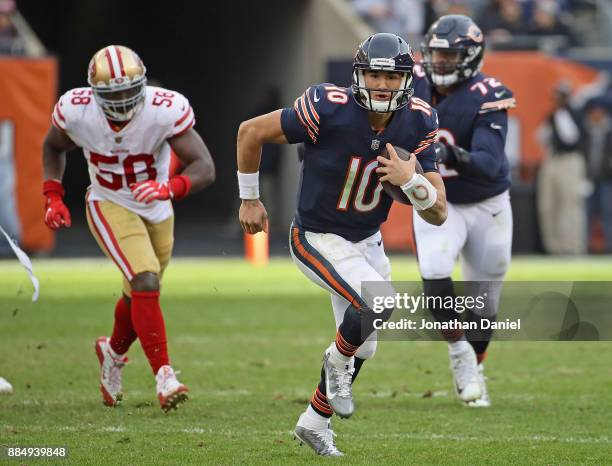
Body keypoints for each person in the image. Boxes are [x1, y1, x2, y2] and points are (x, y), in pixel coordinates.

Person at [237, 33, 447, 456]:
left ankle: (314, 420)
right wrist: (250, 197)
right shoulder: (327, 107)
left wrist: (414, 184)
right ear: (358, 74)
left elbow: (439, 212)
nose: (382, 85)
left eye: (391, 77)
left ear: (407, 80)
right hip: (316, 235)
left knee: (365, 343)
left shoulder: (420, 120)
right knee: (379, 302)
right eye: (373, 74)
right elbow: (250, 131)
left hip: (366, 240)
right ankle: (335, 362)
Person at [42, 45, 215, 411]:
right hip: (109, 201)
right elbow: (52, 146)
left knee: (138, 293)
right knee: (146, 280)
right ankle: (164, 375)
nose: (121, 100)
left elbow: (204, 165)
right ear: (94, 92)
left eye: (127, 90)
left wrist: (170, 187)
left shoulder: (163, 109)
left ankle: (112, 352)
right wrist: (53, 194)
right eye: (111, 93)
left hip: (157, 204)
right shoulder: (77, 110)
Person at [412, 15, 516, 408]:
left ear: (470, 56)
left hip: (487, 203)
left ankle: (478, 362)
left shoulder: (488, 94)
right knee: (436, 269)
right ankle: (460, 357)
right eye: (435, 52)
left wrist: (451, 153)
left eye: (448, 54)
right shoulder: (412, 80)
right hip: (439, 201)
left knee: (483, 302)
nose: (438, 61)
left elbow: (490, 162)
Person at [537, 82, 586, 255]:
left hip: (570, 161)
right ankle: (553, 246)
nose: (558, 99)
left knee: (569, 205)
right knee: (548, 204)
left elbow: (571, 138)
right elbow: (541, 138)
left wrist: (559, 115)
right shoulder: (552, 115)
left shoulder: (575, 114)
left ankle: (572, 246)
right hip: (552, 160)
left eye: (562, 96)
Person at [583, 98, 612, 253]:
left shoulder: (609, 131)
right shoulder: (586, 131)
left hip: (608, 179)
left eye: (599, 113)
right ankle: (584, 247)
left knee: (608, 213)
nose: (596, 116)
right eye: (593, 113)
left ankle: (609, 247)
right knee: (586, 214)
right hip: (588, 179)